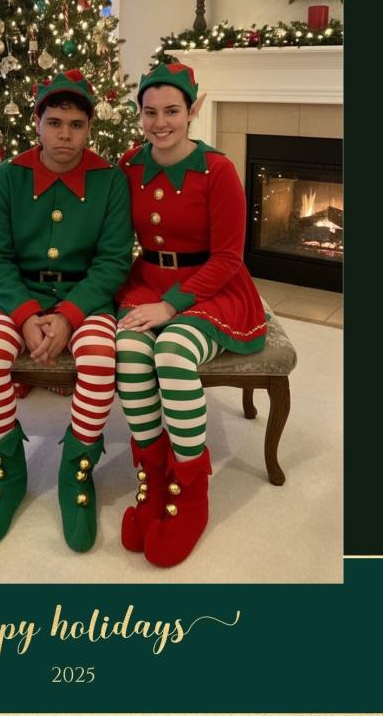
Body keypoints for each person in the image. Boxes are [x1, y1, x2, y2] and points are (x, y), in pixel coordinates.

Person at [0, 69, 133, 553]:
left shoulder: (110, 180)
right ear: (38, 123)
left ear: (89, 128)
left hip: (86, 298)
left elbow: (113, 261)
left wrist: (68, 315)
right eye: (55, 123)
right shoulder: (8, 176)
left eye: (76, 125)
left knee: (100, 360)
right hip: (17, 295)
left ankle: (76, 470)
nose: (65, 135)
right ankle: (7, 469)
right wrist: (24, 316)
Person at [115, 62, 267, 567]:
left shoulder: (217, 170)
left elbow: (229, 258)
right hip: (147, 281)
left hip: (211, 288)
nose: (160, 122)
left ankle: (192, 490)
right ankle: (154, 479)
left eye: (172, 111)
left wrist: (171, 306)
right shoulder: (129, 165)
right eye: (150, 112)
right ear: (139, 113)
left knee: (173, 352)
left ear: (192, 110)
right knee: (129, 349)